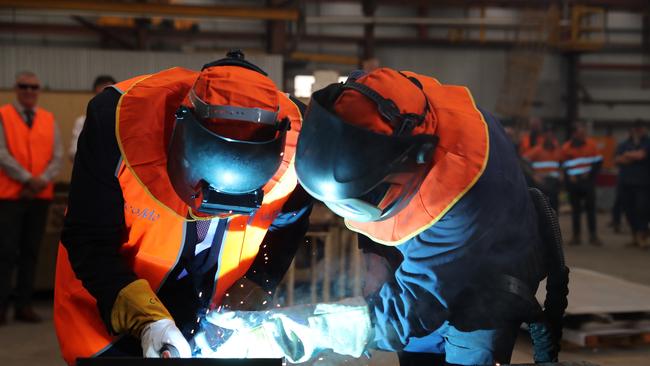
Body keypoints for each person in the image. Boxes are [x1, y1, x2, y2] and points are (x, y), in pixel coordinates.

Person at [201, 68, 568, 366]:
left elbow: (410, 310)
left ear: (410, 163)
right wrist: (374, 255)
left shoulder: (462, 196)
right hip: (426, 248)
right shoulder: (368, 103)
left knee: (461, 343)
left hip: (487, 275)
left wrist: (294, 332)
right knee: (414, 347)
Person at [54, 51, 312, 364]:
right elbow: (88, 239)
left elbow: (287, 225)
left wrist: (258, 283)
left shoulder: (299, 138)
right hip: (110, 304)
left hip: (218, 322)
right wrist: (151, 321)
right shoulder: (116, 121)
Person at [0, 71, 63, 325]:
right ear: (16, 88)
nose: (29, 91)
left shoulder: (49, 119)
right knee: (5, 253)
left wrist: (40, 181)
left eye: (34, 87)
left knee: (30, 252)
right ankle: (1, 306)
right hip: (10, 197)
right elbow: (1, 153)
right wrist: (27, 178)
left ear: (38, 90)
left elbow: (57, 157)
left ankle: (24, 306)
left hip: (39, 196)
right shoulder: (3, 115)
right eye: (24, 86)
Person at [561, 122, 603, 246]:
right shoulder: (566, 147)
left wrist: (589, 175)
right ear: (574, 134)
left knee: (591, 210)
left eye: (584, 133)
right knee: (576, 211)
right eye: (580, 134)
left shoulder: (591, 145)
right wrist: (569, 176)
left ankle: (593, 235)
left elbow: (598, 162)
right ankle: (576, 236)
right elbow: (563, 165)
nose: (583, 136)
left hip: (587, 182)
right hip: (574, 184)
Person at [614, 121, 650, 248]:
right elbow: (617, 159)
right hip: (625, 183)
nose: (638, 131)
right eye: (636, 129)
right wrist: (631, 156)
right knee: (628, 209)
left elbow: (641, 156)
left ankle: (643, 235)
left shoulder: (647, 143)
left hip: (643, 184)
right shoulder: (625, 144)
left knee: (642, 209)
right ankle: (635, 235)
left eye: (640, 129)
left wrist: (627, 155)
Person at [69, 75, 116, 161]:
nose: (105, 101)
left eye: (109, 97)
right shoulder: (82, 122)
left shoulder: (122, 123)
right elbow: (73, 154)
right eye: (100, 96)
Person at [524, 124, 562, 212]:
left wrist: (561, 173)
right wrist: (533, 175)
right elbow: (523, 161)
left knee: (554, 210)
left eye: (551, 135)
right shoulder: (537, 150)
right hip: (542, 184)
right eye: (547, 135)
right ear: (543, 137)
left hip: (554, 184)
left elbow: (561, 163)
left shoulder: (557, 150)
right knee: (542, 210)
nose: (549, 137)